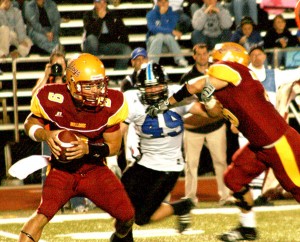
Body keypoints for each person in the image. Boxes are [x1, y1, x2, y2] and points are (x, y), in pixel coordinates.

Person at [146, 42, 300, 241]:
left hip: (279, 143)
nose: (212, 62)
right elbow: (208, 106)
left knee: (297, 187)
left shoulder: (234, 70)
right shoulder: (227, 82)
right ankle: (248, 228)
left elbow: (200, 85)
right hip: (259, 146)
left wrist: (168, 103)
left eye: (216, 58)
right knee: (234, 179)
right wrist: (203, 100)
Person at [19, 53, 135, 242]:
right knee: (42, 214)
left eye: (99, 84)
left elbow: (114, 147)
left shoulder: (110, 104)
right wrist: (46, 135)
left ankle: (118, 237)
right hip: (61, 171)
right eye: (88, 85)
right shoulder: (53, 96)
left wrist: (88, 148)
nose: (96, 91)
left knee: (127, 215)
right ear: (72, 84)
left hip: (94, 169)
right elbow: (29, 123)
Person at [120, 62, 223, 236]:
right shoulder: (132, 99)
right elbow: (118, 130)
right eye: (148, 87)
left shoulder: (177, 95)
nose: (153, 91)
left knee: (142, 218)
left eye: (157, 86)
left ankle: (180, 207)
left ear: (165, 84)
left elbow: (212, 114)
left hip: (168, 167)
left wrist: (209, 100)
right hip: (142, 163)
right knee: (119, 201)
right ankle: (122, 238)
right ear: (140, 88)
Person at [180, 43, 232, 205]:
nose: (203, 57)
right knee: (191, 164)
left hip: (215, 125)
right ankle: (190, 197)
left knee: (221, 161)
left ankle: (226, 195)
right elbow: (184, 103)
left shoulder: (216, 72)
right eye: (199, 54)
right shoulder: (187, 78)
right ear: (194, 56)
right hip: (193, 128)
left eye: (205, 53)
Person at [82, 0, 132, 70]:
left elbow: (123, 32)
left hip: (109, 45)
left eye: (104, 2)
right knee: (92, 39)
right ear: (94, 3)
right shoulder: (88, 15)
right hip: (93, 46)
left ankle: (117, 76)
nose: (102, 5)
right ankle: (95, 70)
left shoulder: (113, 15)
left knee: (126, 49)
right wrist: (99, 19)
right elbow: (90, 32)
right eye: (99, 2)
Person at [146, 0, 189, 67]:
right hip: (153, 43)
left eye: (165, 2)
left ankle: (180, 60)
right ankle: (152, 64)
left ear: (168, 3)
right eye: (161, 2)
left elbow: (169, 27)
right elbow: (152, 29)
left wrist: (163, 15)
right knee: (160, 36)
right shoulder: (151, 14)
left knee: (167, 36)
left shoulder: (174, 15)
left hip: (167, 45)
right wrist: (171, 31)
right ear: (157, 3)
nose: (163, 4)